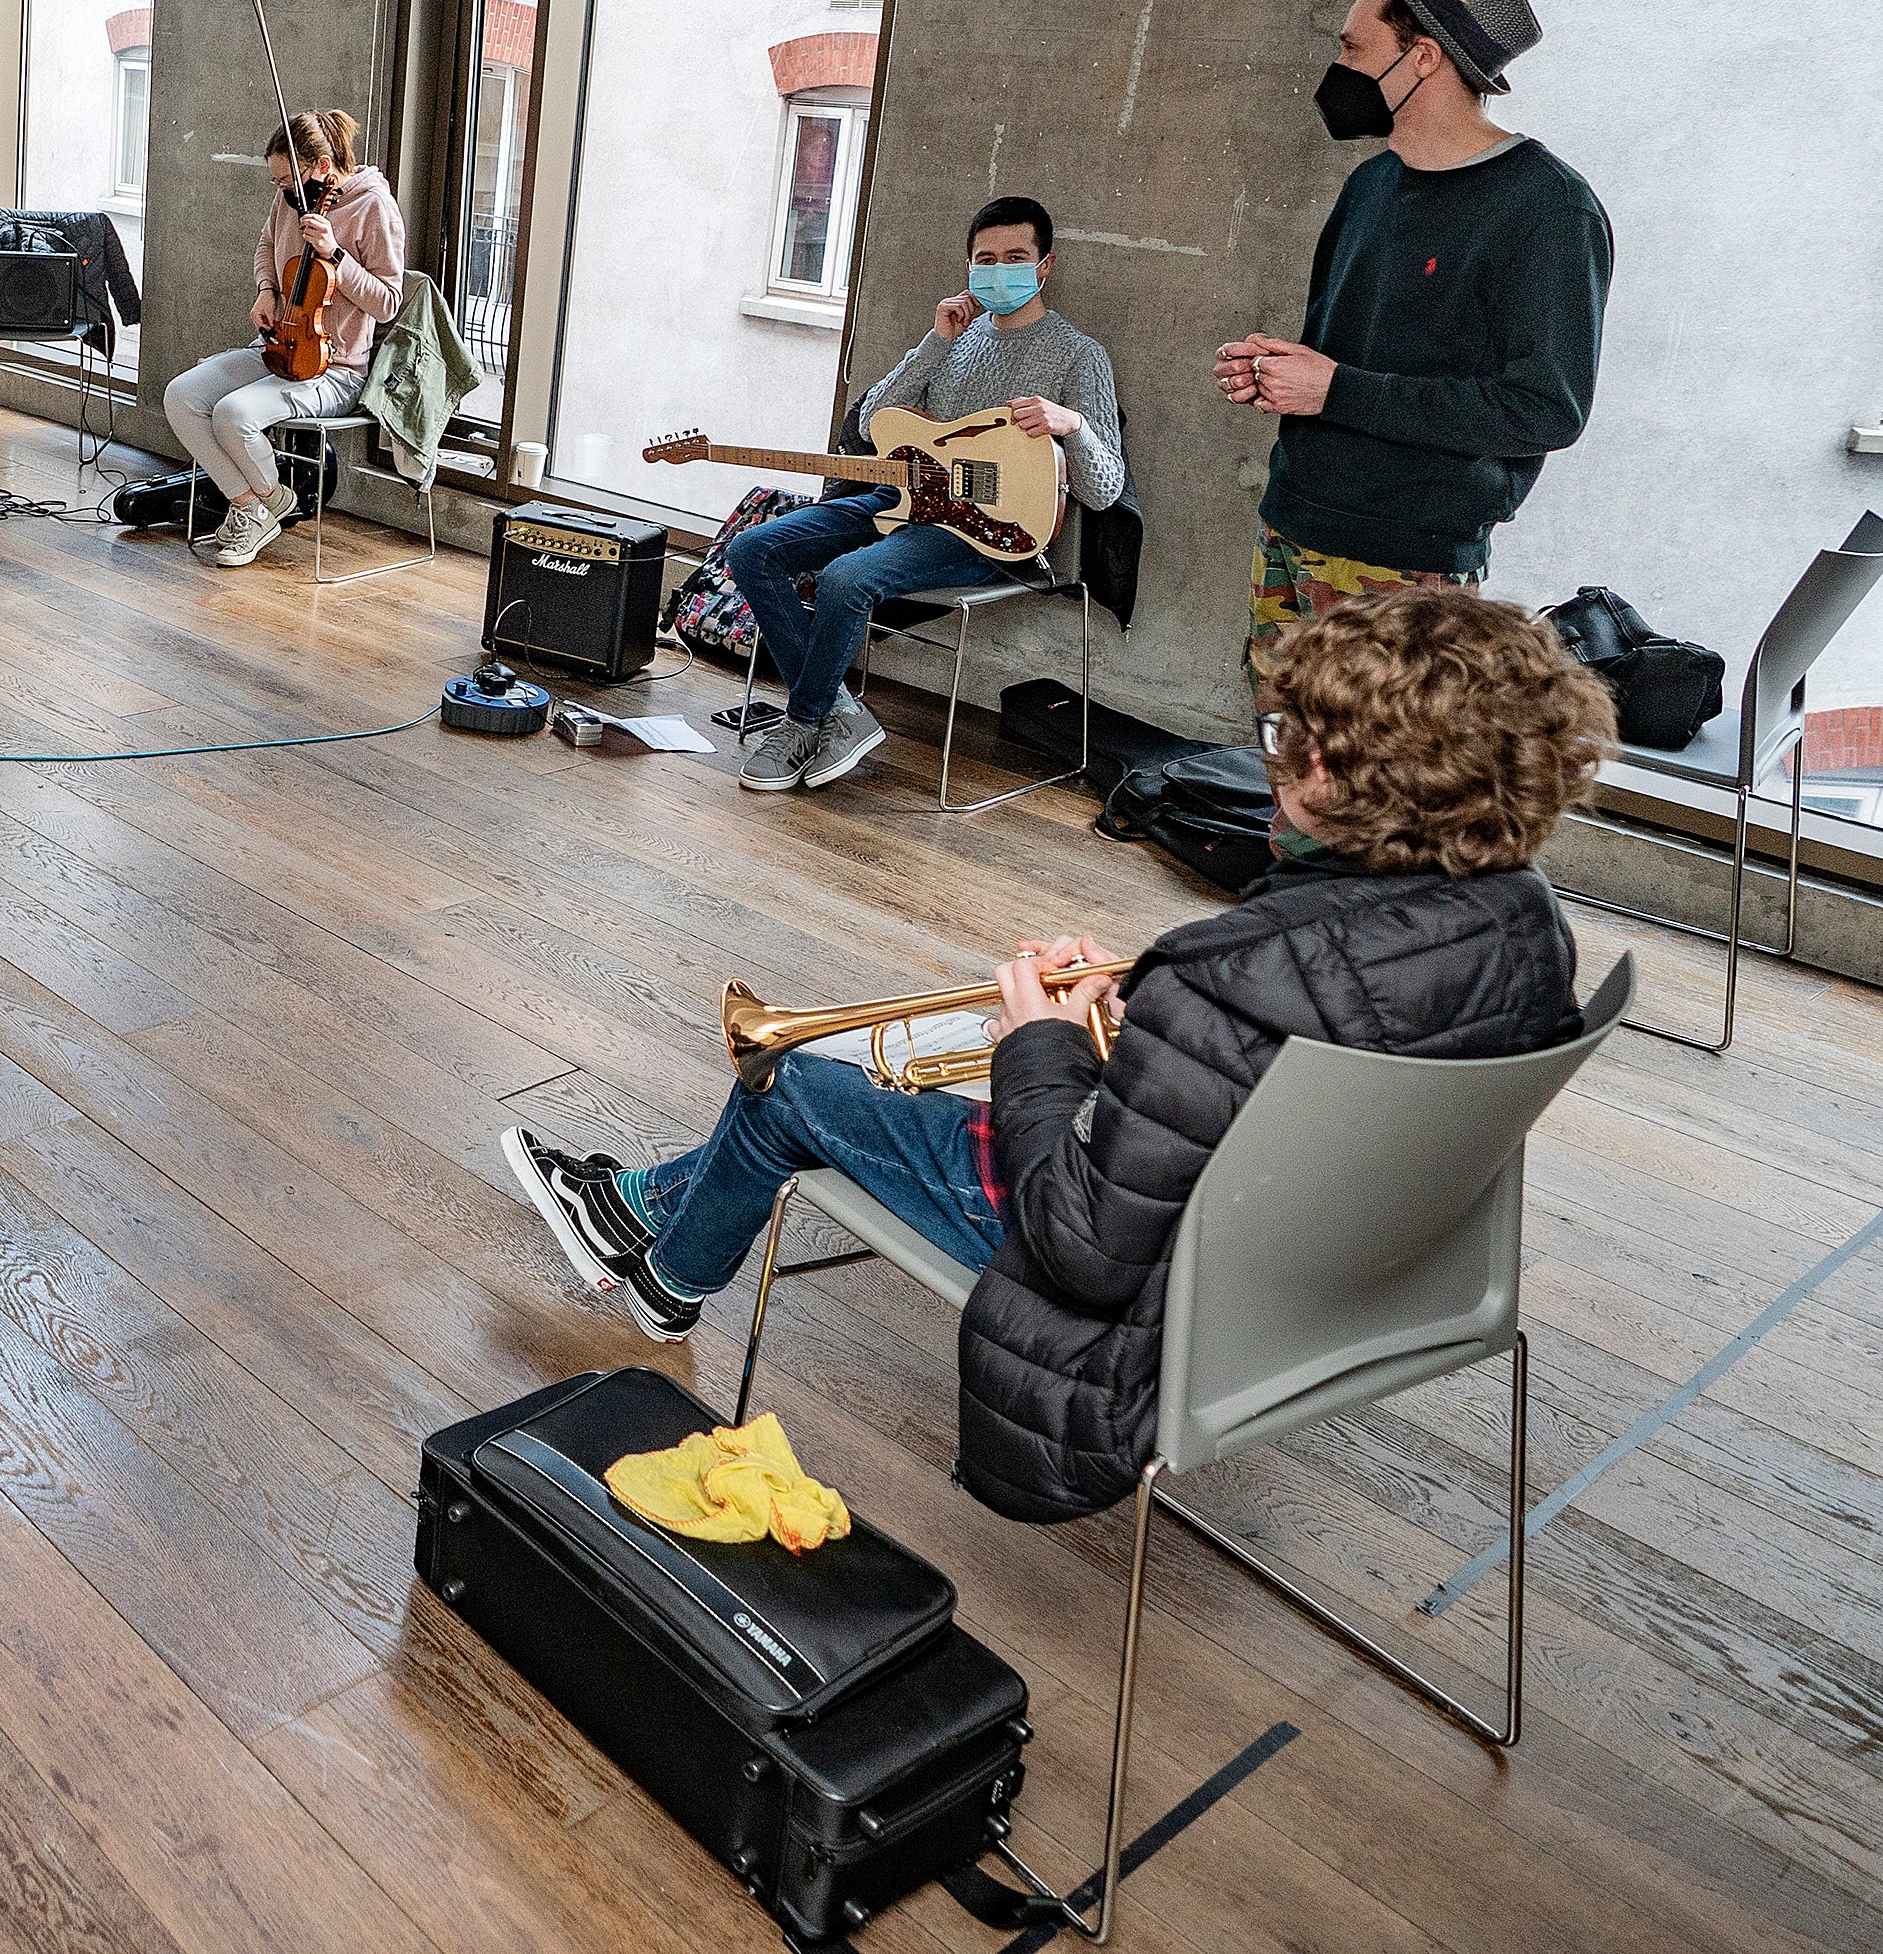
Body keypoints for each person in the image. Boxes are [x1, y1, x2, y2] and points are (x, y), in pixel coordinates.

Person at [502, 583, 1605, 1520]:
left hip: (1143, 1310)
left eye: (1287, 743)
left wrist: (1042, 1045)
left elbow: (1076, 1239)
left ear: (1344, 780)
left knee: (790, 1081)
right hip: (1365, 1271)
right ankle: (644, 1206)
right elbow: (1324, 1018)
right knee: (931, 1048)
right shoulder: (1525, 920)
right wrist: (1144, 1010)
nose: (1271, 762)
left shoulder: (1235, 976)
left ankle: (665, 1274)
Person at [1215, 0, 1613, 677]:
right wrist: (1279, 374)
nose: (1338, 67)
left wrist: (1334, 387)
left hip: (1407, 569)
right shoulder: (1369, 185)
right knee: (1283, 767)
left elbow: (1545, 408)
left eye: (1353, 46)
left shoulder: (1549, 209)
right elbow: (1345, 360)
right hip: (1291, 528)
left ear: (1423, 57)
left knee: (1384, 785)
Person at [726, 197, 1128, 794]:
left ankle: (804, 721)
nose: (999, 270)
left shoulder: (1079, 355)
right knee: (752, 549)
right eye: (984, 259)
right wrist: (935, 342)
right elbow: (869, 426)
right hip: (907, 503)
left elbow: (1105, 489)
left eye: (1015, 257)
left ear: (1045, 265)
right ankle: (838, 711)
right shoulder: (954, 339)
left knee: (845, 578)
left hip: (991, 533)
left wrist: (1074, 426)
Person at [161, 110, 409, 568]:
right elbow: (264, 246)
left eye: (284, 181)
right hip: (276, 347)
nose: (281, 192)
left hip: (334, 369)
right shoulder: (292, 200)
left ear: (320, 167)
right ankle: (257, 504)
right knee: (182, 396)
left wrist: (335, 252)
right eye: (277, 183)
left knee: (234, 414)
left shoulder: (374, 207)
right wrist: (266, 290)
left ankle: (261, 507)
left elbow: (388, 302)